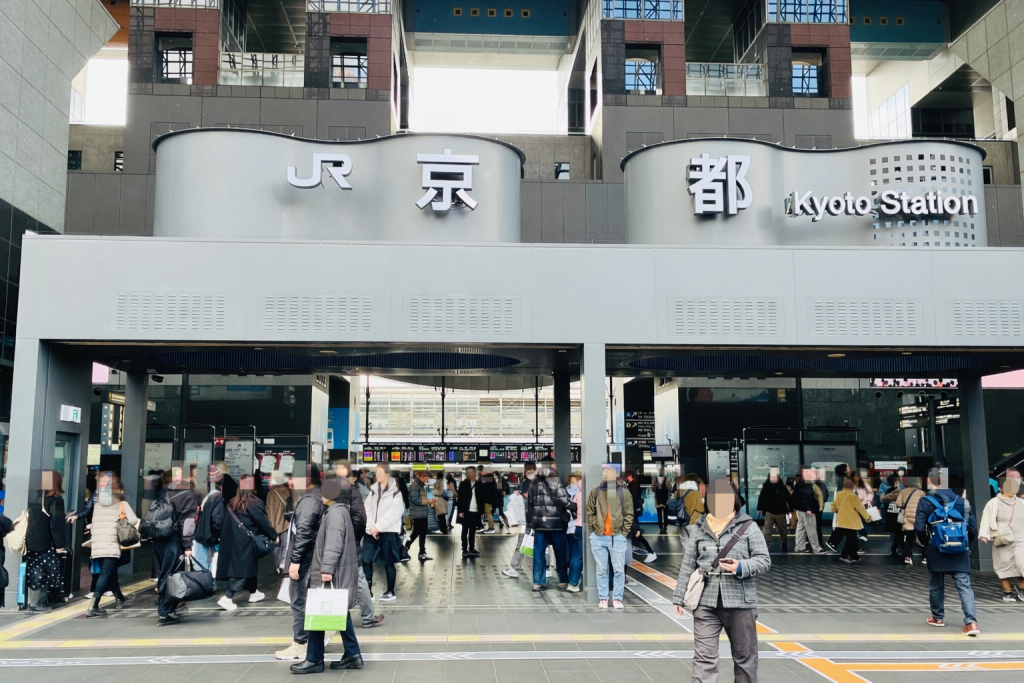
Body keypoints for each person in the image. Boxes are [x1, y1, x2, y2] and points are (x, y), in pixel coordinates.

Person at [672, 479, 771, 683]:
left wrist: (740, 566)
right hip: (705, 602)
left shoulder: (748, 526)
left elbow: (764, 560)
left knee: (744, 658)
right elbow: (688, 564)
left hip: (740, 602)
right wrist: (678, 596)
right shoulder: (700, 527)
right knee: (704, 658)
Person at [289, 475, 364, 675]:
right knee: (337, 612)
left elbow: (333, 543)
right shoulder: (337, 511)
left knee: (317, 612)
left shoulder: (335, 514)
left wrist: (327, 570)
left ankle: (314, 659)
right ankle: (352, 654)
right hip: (337, 572)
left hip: (332, 572)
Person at [914, 468, 979, 635]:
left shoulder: (926, 501)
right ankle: (971, 622)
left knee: (936, 584)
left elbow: (919, 527)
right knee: (964, 586)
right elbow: (972, 527)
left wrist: (926, 543)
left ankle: (938, 618)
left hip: (936, 549)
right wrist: (964, 544)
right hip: (960, 550)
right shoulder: (962, 501)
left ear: (929, 481)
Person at [277, 465, 326, 661]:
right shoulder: (317, 497)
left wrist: (295, 561)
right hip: (313, 556)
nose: (291, 482)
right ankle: (312, 639)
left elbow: (304, 532)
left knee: (298, 599)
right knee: (307, 599)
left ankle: (300, 643)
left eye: (294, 478)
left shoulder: (308, 501)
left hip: (305, 558)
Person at [215, 474, 278, 610]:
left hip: (233, 542)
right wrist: (274, 535)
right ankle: (228, 597)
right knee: (242, 570)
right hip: (246, 542)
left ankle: (253, 592)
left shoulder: (232, 502)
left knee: (249, 566)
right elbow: (263, 523)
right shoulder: (254, 503)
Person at [82, 471, 137, 617]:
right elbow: (133, 521)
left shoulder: (98, 504)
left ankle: (120, 598)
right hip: (111, 543)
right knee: (106, 572)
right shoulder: (121, 504)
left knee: (110, 572)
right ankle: (93, 606)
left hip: (97, 543)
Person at [335, 463, 384, 628]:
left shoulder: (327, 488)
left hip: (330, 541)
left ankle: (331, 613)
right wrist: (354, 537)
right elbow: (359, 517)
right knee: (359, 577)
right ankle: (368, 617)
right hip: (348, 540)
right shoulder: (352, 489)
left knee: (331, 575)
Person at [587, 466, 633, 608]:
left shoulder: (623, 492)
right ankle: (603, 598)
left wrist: (623, 533)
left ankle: (617, 598)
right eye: (605, 473)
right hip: (599, 536)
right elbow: (590, 512)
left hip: (617, 536)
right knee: (601, 570)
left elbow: (629, 514)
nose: (607, 475)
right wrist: (593, 528)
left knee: (618, 569)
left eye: (610, 473)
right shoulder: (596, 492)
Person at [24, 472, 68, 612]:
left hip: (32, 541)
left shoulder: (37, 498)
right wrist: (60, 545)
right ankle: (35, 604)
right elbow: (56, 525)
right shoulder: (57, 501)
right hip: (46, 543)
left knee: (35, 571)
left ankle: (35, 602)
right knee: (44, 572)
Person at [979, 470, 1024, 602]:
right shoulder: (994, 503)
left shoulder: (1021, 502)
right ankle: (1007, 591)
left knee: (1021, 564)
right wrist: (984, 534)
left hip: (1020, 538)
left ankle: (1022, 589)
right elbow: (986, 518)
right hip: (1001, 538)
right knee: (1003, 564)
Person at [527, 466, 575, 591]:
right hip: (557, 525)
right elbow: (564, 502)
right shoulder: (558, 483)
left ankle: (538, 582)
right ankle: (563, 580)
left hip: (539, 525)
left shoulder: (533, 484)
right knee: (560, 553)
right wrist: (576, 506)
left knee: (538, 554)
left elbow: (530, 504)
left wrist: (530, 523)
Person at [364, 463, 404, 602]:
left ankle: (390, 592)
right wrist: (370, 527)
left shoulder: (396, 493)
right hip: (370, 531)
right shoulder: (373, 491)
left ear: (387, 474)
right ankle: (367, 593)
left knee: (388, 562)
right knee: (366, 560)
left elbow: (394, 514)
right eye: (376, 472)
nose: (377, 475)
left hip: (387, 532)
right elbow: (367, 508)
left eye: (380, 472)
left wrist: (378, 527)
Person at [882, 477, 926, 565]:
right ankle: (924, 557)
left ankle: (907, 557)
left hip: (907, 517)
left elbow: (898, 503)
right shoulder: (921, 493)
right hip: (918, 517)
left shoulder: (903, 491)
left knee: (908, 539)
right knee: (922, 538)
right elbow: (924, 505)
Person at [192, 465, 226, 574]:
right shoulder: (218, 496)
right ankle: (209, 583)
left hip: (199, 533)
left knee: (200, 562)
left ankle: (202, 583)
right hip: (210, 535)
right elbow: (217, 519)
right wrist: (220, 534)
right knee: (213, 561)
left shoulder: (203, 494)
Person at [831, 479, 870, 563]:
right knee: (850, 539)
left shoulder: (838, 494)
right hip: (852, 521)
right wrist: (868, 518)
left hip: (842, 520)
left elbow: (834, 506)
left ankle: (854, 556)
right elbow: (860, 508)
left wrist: (838, 510)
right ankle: (844, 556)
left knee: (852, 539)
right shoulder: (853, 496)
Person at [266, 470, 296, 573]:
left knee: (276, 546)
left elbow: (268, 510)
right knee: (286, 544)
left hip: (273, 523)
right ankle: (283, 562)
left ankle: (277, 564)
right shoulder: (287, 491)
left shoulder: (270, 493)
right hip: (285, 522)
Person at [756, 472, 792, 553]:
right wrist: (759, 508)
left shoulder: (781, 487)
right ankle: (766, 544)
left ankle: (784, 541)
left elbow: (788, 498)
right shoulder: (767, 486)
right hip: (770, 511)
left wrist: (790, 509)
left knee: (782, 529)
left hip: (780, 511)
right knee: (767, 529)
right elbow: (762, 497)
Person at [626, 471, 657, 562]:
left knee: (637, 536)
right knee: (634, 536)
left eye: (627, 475)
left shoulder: (632, 485)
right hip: (633, 513)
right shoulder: (635, 484)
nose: (626, 477)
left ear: (630, 475)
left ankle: (651, 552)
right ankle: (650, 552)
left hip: (632, 514)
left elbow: (633, 500)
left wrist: (636, 527)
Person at [791, 473, 825, 555]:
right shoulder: (808, 485)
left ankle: (799, 547)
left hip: (800, 510)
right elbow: (807, 498)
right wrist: (809, 509)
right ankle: (817, 548)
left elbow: (795, 498)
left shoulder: (799, 484)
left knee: (801, 528)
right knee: (811, 529)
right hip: (808, 511)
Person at [457, 466, 486, 558]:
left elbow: (482, 499)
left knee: (472, 531)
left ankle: (472, 549)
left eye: (471, 472)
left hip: (476, 512)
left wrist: (482, 511)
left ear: (475, 473)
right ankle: (464, 550)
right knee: (464, 530)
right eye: (468, 473)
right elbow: (460, 498)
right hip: (465, 511)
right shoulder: (463, 484)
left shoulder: (480, 484)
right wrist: (460, 511)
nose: (469, 474)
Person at [405, 469, 434, 561]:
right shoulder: (415, 485)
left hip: (421, 513)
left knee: (421, 532)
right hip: (418, 514)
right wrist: (428, 502)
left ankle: (421, 552)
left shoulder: (419, 485)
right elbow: (414, 499)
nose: (427, 480)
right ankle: (407, 547)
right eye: (426, 477)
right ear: (421, 476)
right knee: (417, 532)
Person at [565, 472, 584, 593]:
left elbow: (574, 509)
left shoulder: (578, 493)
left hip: (579, 526)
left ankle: (573, 583)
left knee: (576, 555)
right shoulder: (600, 492)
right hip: (598, 528)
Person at [852, 473, 875, 544]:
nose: (856, 478)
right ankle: (861, 534)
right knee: (856, 520)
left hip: (863, 505)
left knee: (863, 520)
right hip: (854, 506)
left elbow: (871, 493)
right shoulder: (851, 485)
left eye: (857, 476)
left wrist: (868, 500)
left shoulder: (864, 484)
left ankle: (864, 534)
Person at [479, 467, 496, 534]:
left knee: (488, 512)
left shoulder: (486, 478)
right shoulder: (492, 478)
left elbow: (483, 488)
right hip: (490, 498)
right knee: (488, 512)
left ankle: (491, 528)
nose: (481, 472)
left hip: (486, 498)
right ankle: (489, 527)